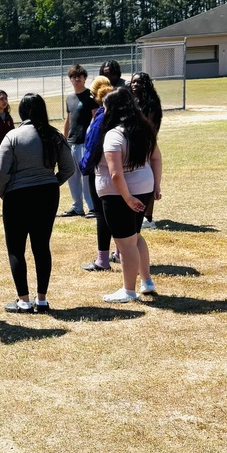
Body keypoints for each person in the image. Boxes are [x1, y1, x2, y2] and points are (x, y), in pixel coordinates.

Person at [0, 94, 74, 314]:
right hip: (47, 194)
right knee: (41, 246)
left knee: (16, 248)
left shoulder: (13, 136)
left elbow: (0, 171)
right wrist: (53, 181)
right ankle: (42, 299)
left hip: (18, 196)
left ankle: (23, 300)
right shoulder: (54, 135)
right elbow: (70, 167)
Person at [87, 87, 162, 303]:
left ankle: (128, 290)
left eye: (105, 106)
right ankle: (146, 281)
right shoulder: (143, 129)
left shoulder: (114, 134)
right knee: (135, 236)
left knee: (125, 244)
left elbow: (115, 174)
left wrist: (127, 198)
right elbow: (156, 158)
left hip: (119, 195)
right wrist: (156, 185)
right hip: (143, 189)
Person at [79, 76, 116, 272]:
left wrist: (83, 166)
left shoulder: (101, 116)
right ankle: (119, 252)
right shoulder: (123, 114)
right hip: (124, 170)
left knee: (102, 214)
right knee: (119, 213)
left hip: (102, 171)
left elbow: (92, 146)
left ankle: (102, 259)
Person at [129, 72, 163, 228]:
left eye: (139, 82)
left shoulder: (152, 104)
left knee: (147, 182)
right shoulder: (131, 101)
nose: (134, 85)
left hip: (146, 145)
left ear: (146, 84)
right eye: (133, 82)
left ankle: (148, 218)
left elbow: (151, 127)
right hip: (131, 145)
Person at [61, 64, 95, 217]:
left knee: (86, 176)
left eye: (79, 76)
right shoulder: (70, 98)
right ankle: (77, 207)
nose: (76, 79)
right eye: (73, 77)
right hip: (71, 143)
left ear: (84, 78)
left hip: (85, 143)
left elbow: (95, 118)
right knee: (72, 176)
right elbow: (68, 120)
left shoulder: (90, 96)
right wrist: (64, 138)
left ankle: (92, 207)